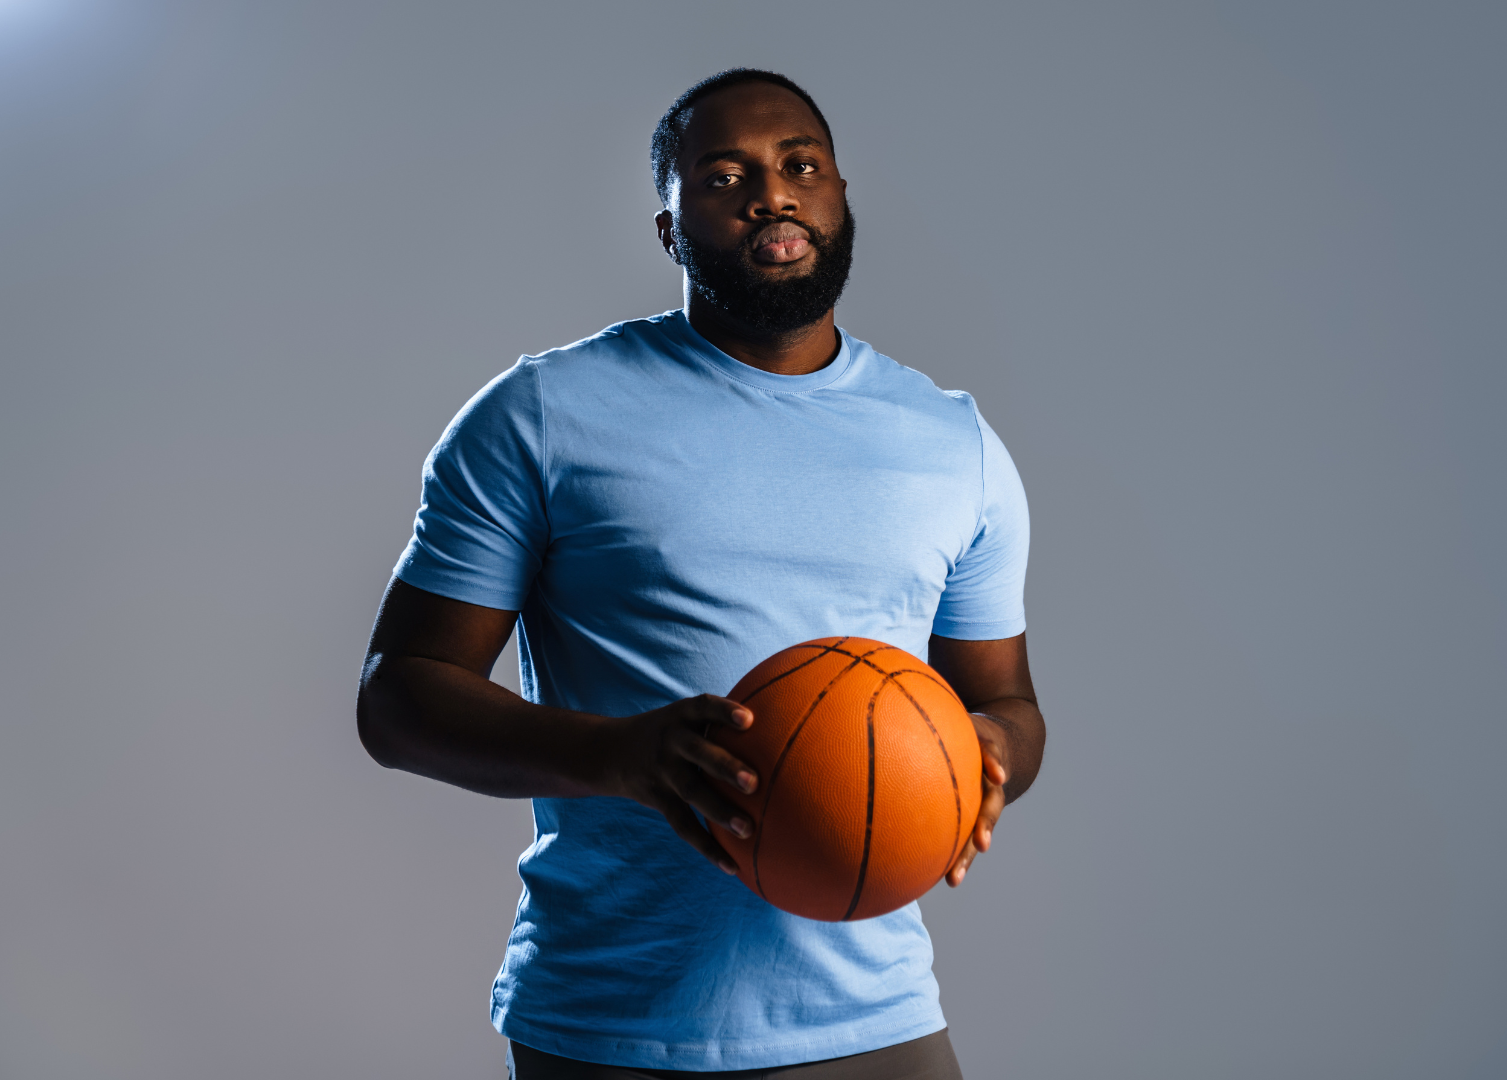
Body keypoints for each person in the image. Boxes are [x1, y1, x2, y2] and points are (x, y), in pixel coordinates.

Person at [357, 69, 1045, 1079]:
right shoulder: (543, 414)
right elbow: (398, 697)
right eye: (725, 178)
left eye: (801, 167)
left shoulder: (954, 444)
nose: (772, 195)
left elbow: (1008, 703)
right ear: (670, 230)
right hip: (609, 1020)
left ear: (840, 196)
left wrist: (984, 757)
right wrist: (617, 756)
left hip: (876, 1021)